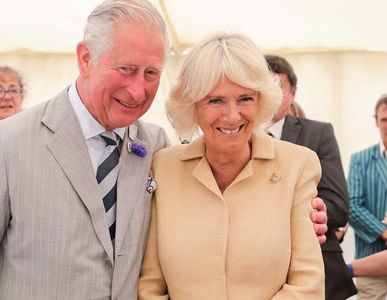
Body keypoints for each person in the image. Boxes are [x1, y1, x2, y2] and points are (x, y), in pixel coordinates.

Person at [0, 1, 327, 299]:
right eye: (125, 69)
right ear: (85, 58)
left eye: (151, 73)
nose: (138, 89)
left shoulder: (154, 147)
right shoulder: (3, 146)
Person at [138, 32, 324, 299]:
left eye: (245, 99)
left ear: (261, 100)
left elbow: (308, 286)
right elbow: (150, 285)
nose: (232, 116)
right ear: (192, 105)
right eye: (216, 100)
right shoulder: (164, 167)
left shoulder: (298, 165)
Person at [265, 54, 357, 300]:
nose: (270, 94)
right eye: (262, 85)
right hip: (257, 269)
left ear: (293, 93)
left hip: (317, 263)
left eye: (277, 86)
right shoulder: (237, 135)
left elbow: (337, 207)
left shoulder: (318, 133)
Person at [348, 94, 387, 299]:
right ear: (376, 122)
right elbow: (352, 207)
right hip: (370, 261)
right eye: (384, 120)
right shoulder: (360, 160)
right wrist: (385, 232)